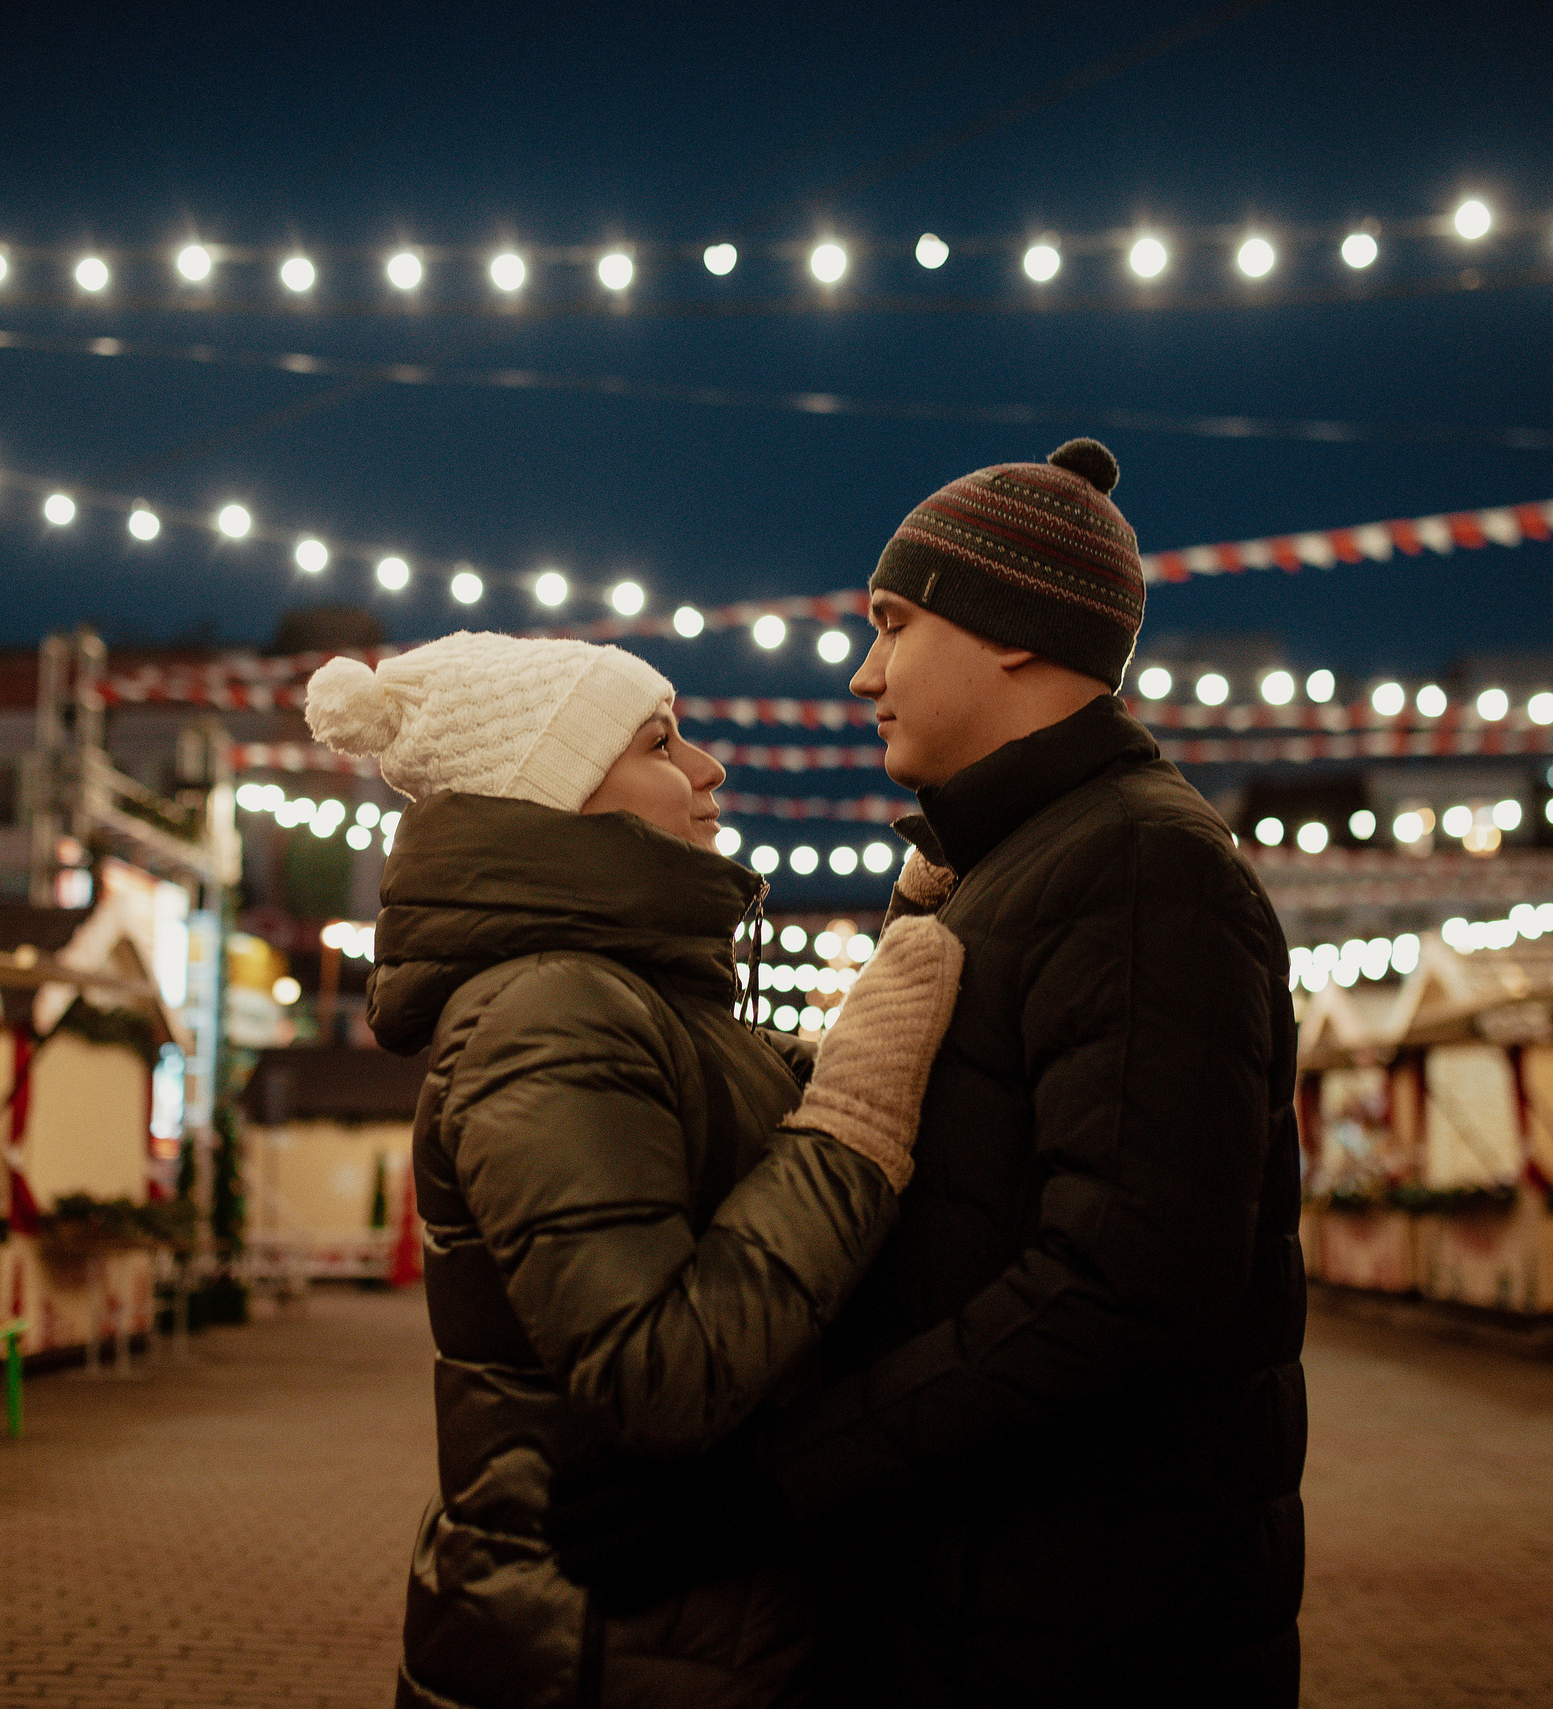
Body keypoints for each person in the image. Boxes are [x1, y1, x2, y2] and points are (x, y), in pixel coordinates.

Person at [554, 441, 1307, 1705]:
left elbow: (1125, 1281)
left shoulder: (1136, 866)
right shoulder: (1021, 864)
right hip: (989, 1595)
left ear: (1013, 629)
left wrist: (774, 1482)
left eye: (893, 624)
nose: (863, 672)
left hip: (1080, 1625)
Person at [304, 630, 965, 1709]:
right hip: (602, 1642)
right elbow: (657, 1373)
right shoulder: (548, 1009)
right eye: (661, 743)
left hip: (653, 1633)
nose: (707, 769)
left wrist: (911, 934)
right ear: (556, 799)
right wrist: (852, 1130)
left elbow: (744, 1123)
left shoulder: (628, 993)